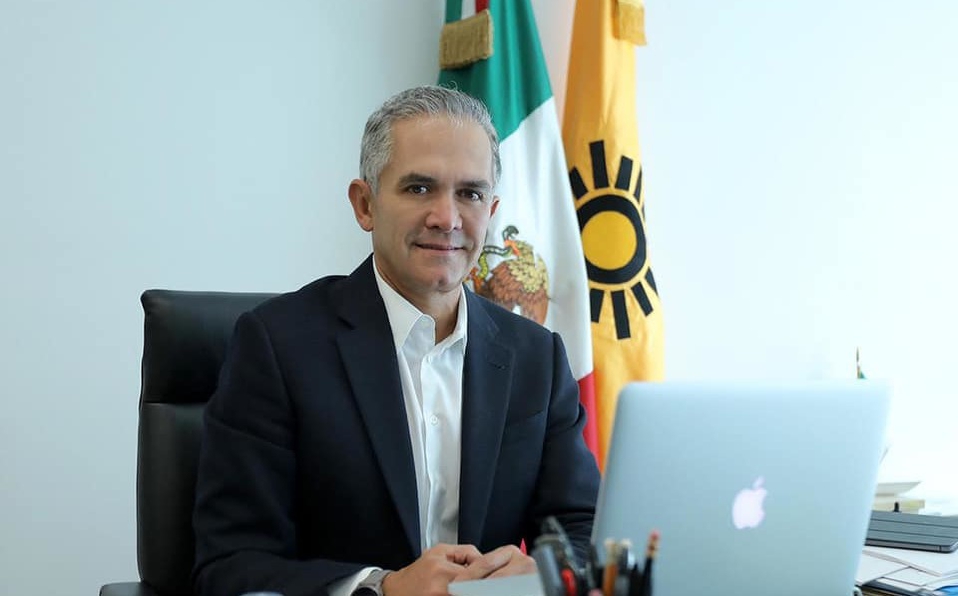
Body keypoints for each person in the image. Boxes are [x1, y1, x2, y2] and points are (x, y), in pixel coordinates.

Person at [192, 85, 600, 596]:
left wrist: (544, 572)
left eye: (470, 194)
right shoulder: (277, 346)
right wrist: (382, 589)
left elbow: (582, 531)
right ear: (365, 205)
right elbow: (230, 564)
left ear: (492, 210)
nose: (447, 218)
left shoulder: (537, 357)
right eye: (419, 188)